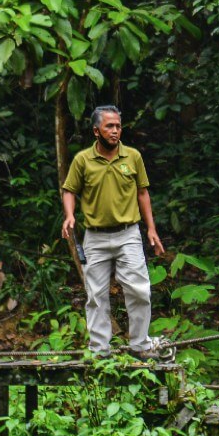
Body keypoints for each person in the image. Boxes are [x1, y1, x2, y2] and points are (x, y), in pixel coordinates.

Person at [61, 105, 165, 359]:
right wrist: (70, 215)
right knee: (95, 295)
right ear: (96, 131)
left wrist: (151, 228)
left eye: (118, 126)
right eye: (109, 126)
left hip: (128, 233)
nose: (115, 131)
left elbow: (143, 192)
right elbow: (69, 190)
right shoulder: (83, 160)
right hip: (95, 235)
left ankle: (140, 344)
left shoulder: (132, 157)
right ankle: (99, 351)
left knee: (139, 289)